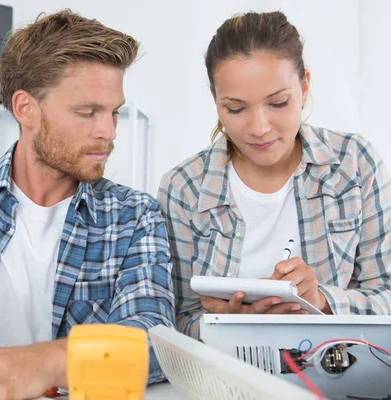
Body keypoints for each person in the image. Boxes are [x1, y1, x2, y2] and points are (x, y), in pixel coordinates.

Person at [0, 9, 175, 400]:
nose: (108, 132)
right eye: (88, 112)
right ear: (26, 109)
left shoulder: (133, 217)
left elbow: (157, 342)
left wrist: (43, 362)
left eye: (114, 113)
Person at [158, 11, 391, 339]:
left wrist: (322, 300)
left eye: (278, 103)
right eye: (236, 109)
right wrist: (227, 323)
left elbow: (387, 295)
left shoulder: (354, 164)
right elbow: (175, 320)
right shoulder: (183, 188)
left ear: (305, 86)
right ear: (215, 100)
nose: (259, 128)